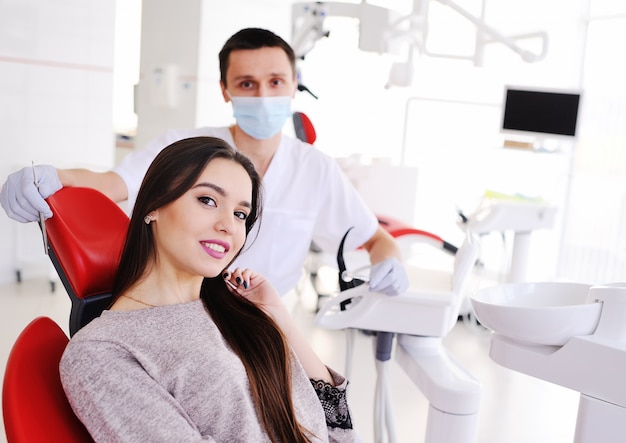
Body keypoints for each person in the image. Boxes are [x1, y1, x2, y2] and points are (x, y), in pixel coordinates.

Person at [0, 27, 408, 297]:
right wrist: (52, 177)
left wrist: (389, 261)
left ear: (293, 87)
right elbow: (114, 182)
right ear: (225, 90)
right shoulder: (188, 149)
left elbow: (375, 238)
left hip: (261, 321)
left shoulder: (315, 169)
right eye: (247, 84)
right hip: (181, 309)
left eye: (275, 82)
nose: (263, 95)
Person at [60, 136, 356, 442]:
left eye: (241, 214)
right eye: (207, 200)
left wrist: (279, 318)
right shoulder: (102, 351)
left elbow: (337, 427)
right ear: (153, 205)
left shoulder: (237, 311)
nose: (228, 225)